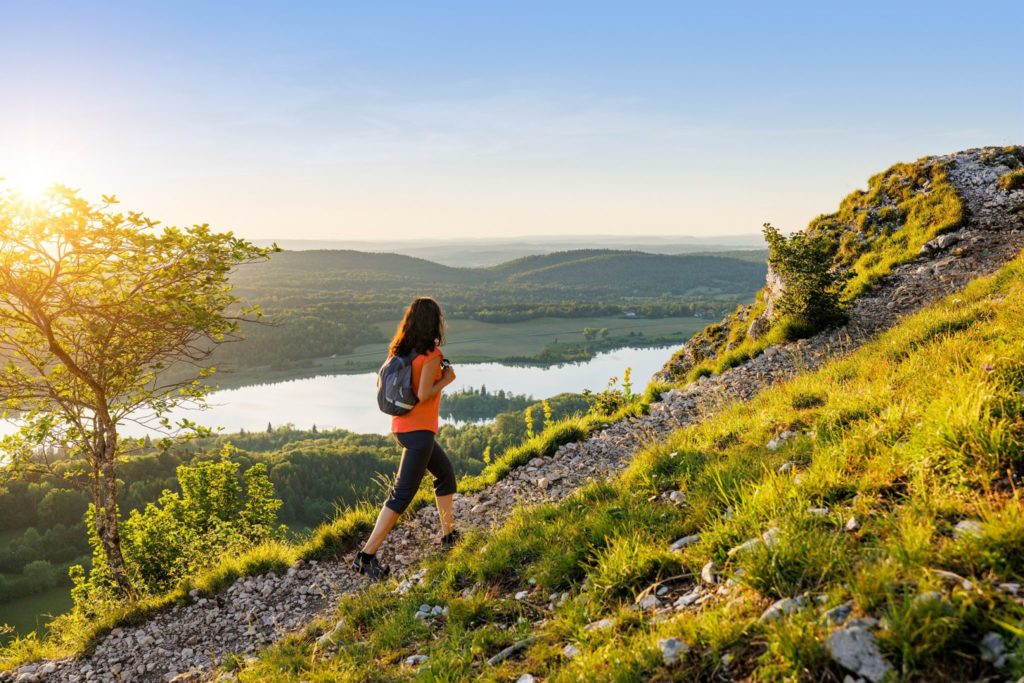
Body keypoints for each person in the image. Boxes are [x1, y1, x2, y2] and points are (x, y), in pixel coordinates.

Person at [352, 297, 460, 580]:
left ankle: (449, 536)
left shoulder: (403, 350)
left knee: (445, 476)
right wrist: (446, 379)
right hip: (419, 433)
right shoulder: (430, 355)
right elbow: (425, 394)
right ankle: (366, 557)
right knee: (401, 496)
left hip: (403, 428)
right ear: (434, 322)